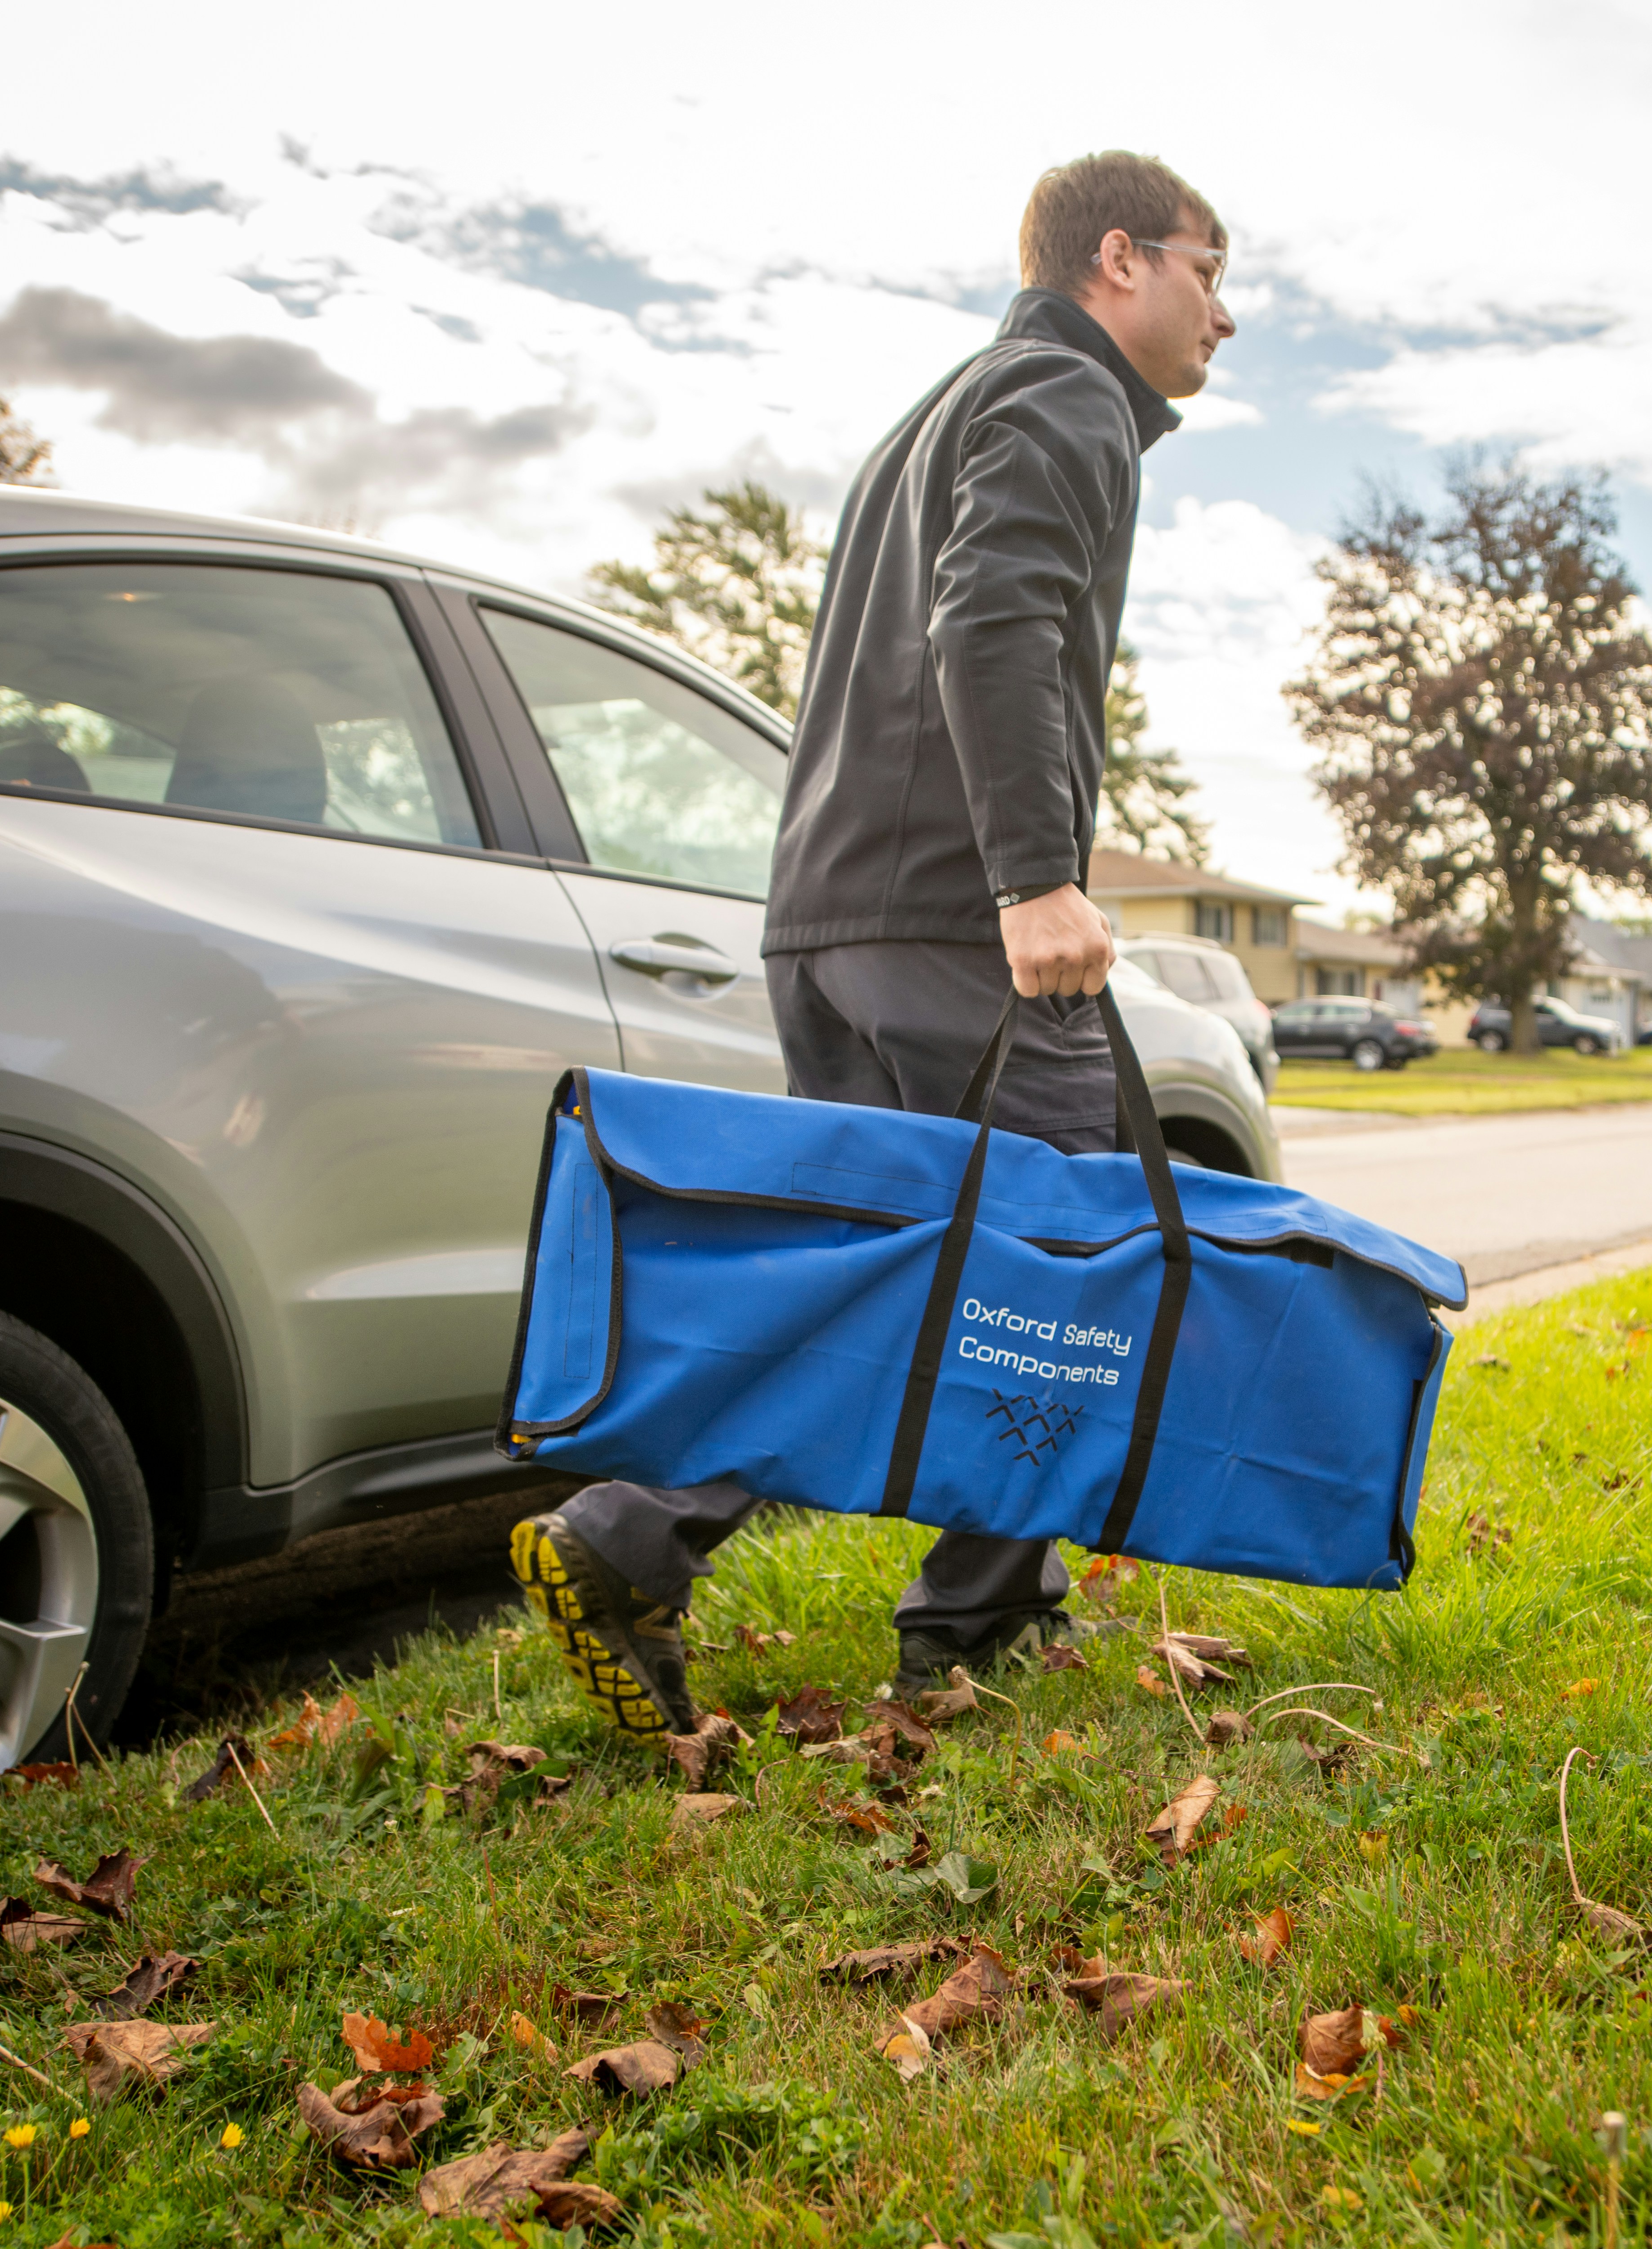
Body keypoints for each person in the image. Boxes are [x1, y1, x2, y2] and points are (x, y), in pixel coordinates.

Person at [512, 151, 1237, 1742]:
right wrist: (1037, 881)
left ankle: (634, 1542)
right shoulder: (1065, 394)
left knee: (892, 1260)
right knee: (1068, 1254)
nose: (1222, 313)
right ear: (1118, 260)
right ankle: (974, 1625)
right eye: (1206, 270)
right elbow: (992, 625)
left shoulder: (942, 409)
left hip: (832, 917)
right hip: (954, 921)